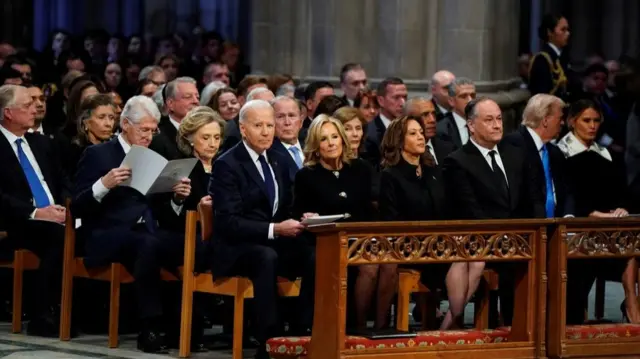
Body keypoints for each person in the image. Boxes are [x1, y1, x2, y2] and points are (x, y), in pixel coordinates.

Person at [72, 96, 201, 353]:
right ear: (125, 125)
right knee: (147, 245)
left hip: (148, 230)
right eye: (143, 130)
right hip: (108, 232)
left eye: (153, 130)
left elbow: (161, 207)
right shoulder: (98, 154)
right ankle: (150, 327)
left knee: (190, 244)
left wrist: (176, 197)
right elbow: (77, 205)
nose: (149, 136)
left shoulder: (154, 156)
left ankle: (186, 327)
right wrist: (104, 185)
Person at [209, 100, 315, 359]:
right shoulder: (227, 164)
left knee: (314, 253)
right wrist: (275, 229)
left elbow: (286, 205)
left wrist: (304, 217)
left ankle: (304, 330)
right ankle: (268, 341)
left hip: (272, 240)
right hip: (236, 246)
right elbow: (228, 222)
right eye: (259, 126)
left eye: (270, 124)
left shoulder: (279, 159)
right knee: (266, 257)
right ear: (243, 129)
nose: (267, 131)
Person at [442, 97, 544, 328]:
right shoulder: (457, 161)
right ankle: (511, 329)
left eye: (499, 119)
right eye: (489, 120)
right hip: (484, 239)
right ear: (471, 125)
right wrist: (505, 237)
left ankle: (543, 327)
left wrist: (537, 229)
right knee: (513, 265)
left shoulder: (516, 153)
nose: (498, 125)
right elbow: (470, 210)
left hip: (522, 237)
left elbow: (534, 197)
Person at [557, 99, 638, 324]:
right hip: (577, 229)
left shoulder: (604, 153)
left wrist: (622, 208)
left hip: (610, 228)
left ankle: (631, 302)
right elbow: (568, 197)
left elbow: (621, 191)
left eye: (596, 121)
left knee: (632, 247)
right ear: (572, 122)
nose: (592, 126)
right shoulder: (561, 153)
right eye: (586, 120)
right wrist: (596, 215)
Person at [293, 115, 376, 329]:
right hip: (322, 240)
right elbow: (299, 214)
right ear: (315, 145)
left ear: (342, 139)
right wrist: (307, 218)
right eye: (323, 139)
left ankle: (362, 326)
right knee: (319, 259)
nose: (330, 143)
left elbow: (369, 209)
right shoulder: (306, 176)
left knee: (375, 263)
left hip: (358, 238)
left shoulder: (362, 169)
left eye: (334, 137)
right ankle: (318, 325)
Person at [0, 84, 70, 337]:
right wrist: (35, 212)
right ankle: (43, 313)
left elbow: (62, 181)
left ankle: (77, 310)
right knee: (57, 237)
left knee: (85, 231)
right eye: (27, 105)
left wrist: (66, 207)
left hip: (55, 215)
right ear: (8, 113)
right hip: (15, 221)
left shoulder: (42, 143)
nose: (35, 108)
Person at [378, 115, 449, 326]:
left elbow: (444, 209)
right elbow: (390, 218)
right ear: (399, 140)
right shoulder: (390, 175)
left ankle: (445, 322)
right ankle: (381, 325)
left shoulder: (433, 171)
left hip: (436, 242)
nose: (421, 137)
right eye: (413, 133)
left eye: (421, 133)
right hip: (404, 244)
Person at [501, 94, 574, 218]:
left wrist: (568, 215)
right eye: (560, 118)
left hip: (558, 226)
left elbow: (567, 190)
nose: (562, 123)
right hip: (527, 228)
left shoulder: (554, 152)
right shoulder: (513, 145)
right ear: (545, 120)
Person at [157, 106, 225, 232]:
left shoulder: (226, 165)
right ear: (190, 138)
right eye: (205, 138)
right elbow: (165, 219)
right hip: (190, 236)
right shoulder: (178, 168)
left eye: (216, 137)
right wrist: (178, 200)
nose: (212, 144)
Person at [150, 77, 199, 160]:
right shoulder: (158, 138)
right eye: (188, 97)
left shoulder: (207, 130)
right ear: (170, 103)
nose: (196, 101)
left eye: (197, 97)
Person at [528, 14, 572, 100]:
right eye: (563, 30)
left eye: (568, 29)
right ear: (550, 32)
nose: (568, 33)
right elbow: (541, 96)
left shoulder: (562, 57)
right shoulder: (542, 59)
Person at [270, 96, 304, 183]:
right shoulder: (268, 153)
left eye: (292, 116)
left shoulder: (313, 146)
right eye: (280, 116)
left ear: (301, 121)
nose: (287, 122)